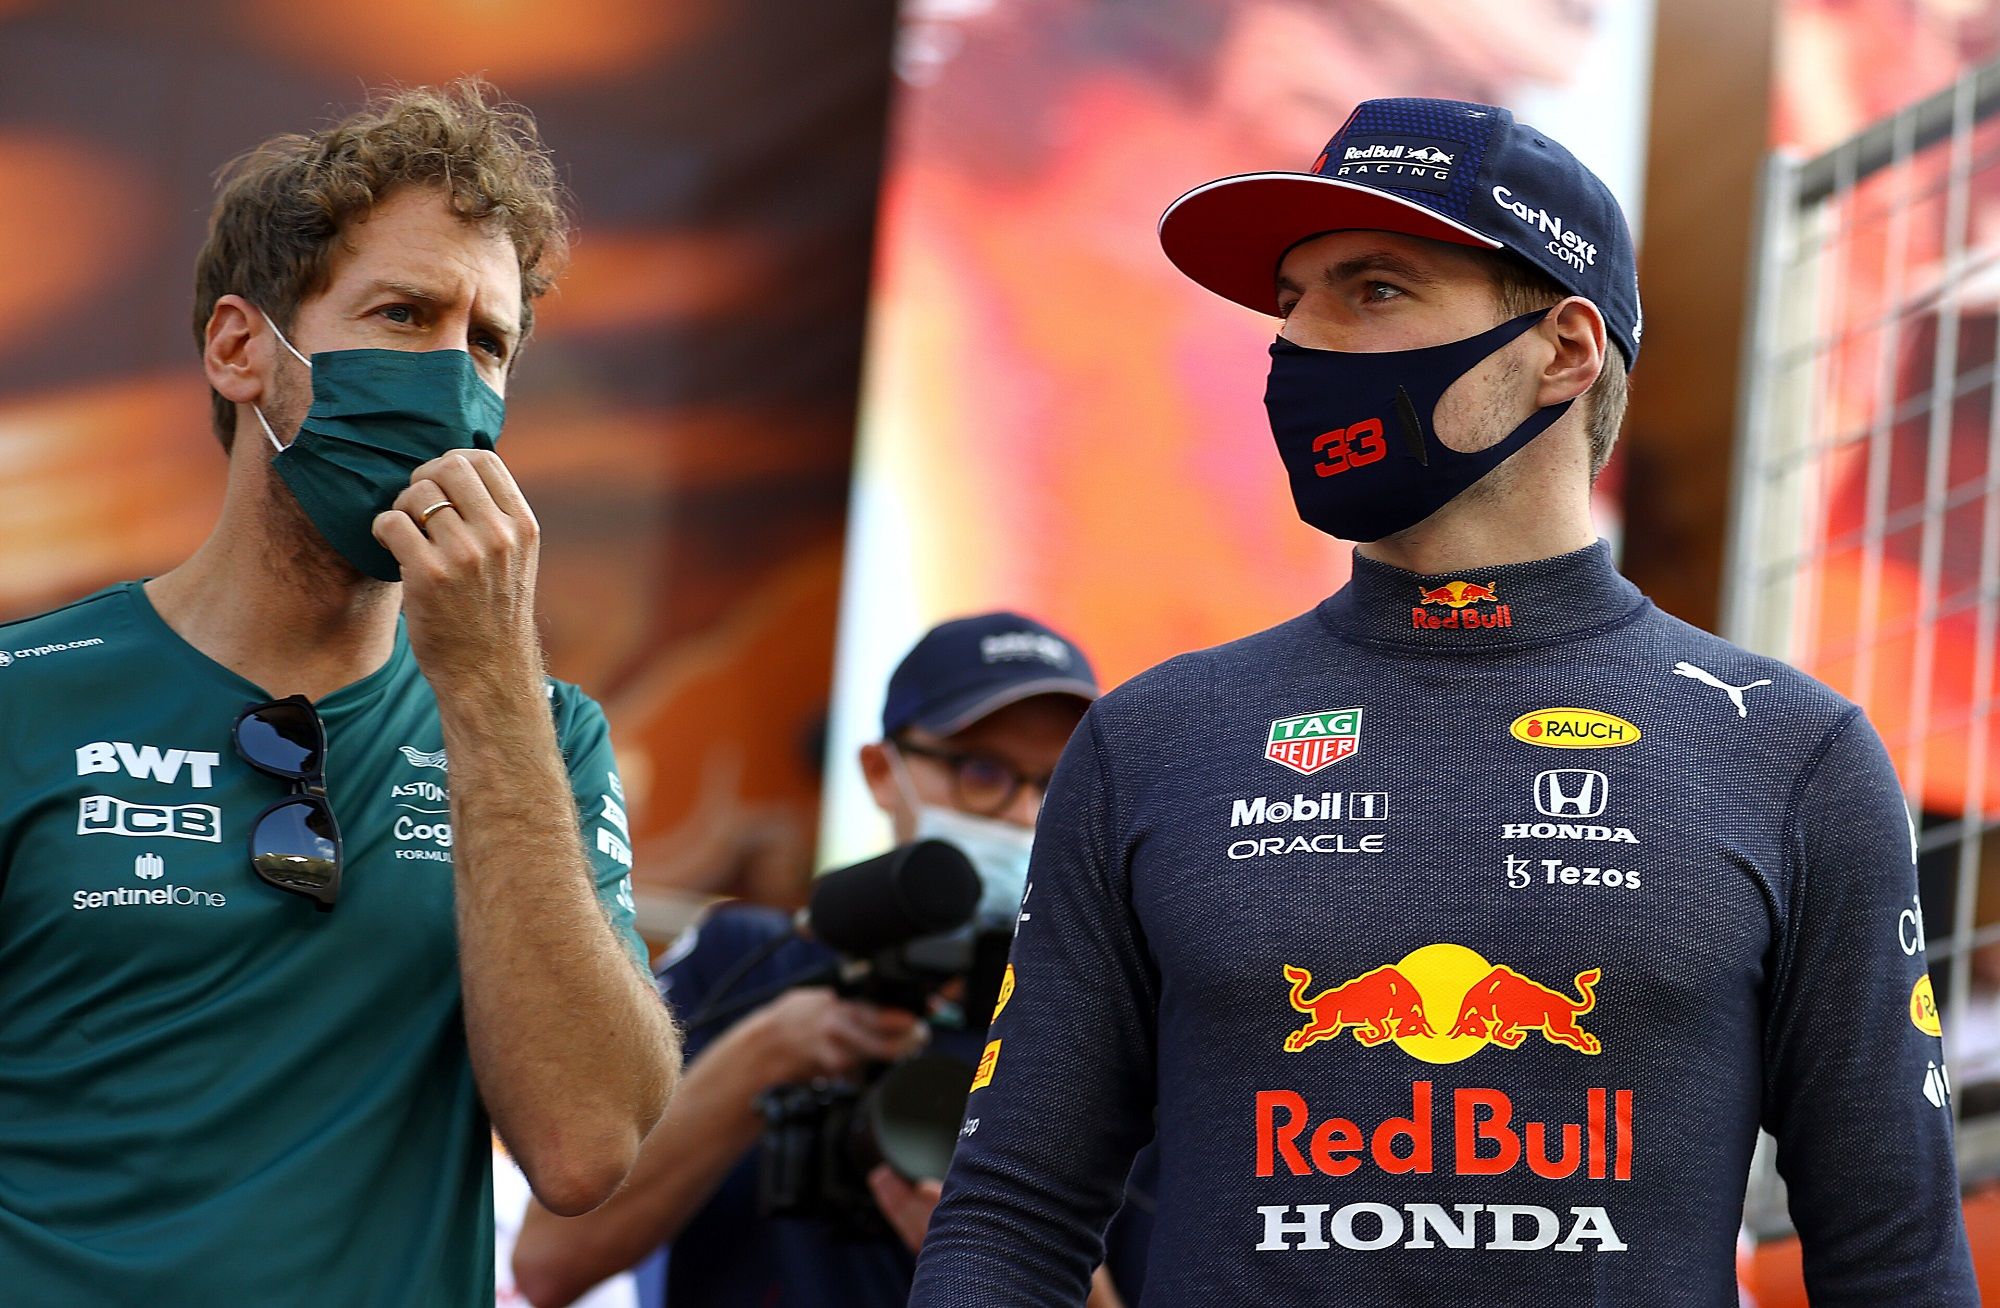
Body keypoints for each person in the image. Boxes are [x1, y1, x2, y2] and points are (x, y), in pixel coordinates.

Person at [910, 96, 1979, 1304]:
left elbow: (1893, 1260)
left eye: (1372, 289)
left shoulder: (1790, 752)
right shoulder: (1151, 738)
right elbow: (1010, 1218)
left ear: (1562, 351)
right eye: (1289, 300)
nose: (1296, 343)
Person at [0, 82, 678, 1306]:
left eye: (487, 344)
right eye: (403, 315)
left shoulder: (541, 735)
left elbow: (585, 1149)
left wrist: (487, 686)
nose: (451, 381)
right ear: (240, 348)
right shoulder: (24, 701)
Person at [512, 613, 1146, 1307]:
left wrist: (1014, 1253)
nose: (1025, 813)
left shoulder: (1106, 1020)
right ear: (881, 772)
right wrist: (766, 1054)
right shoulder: (751, 961)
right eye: (982, 771)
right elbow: (547, 1263)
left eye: (1060, 782)